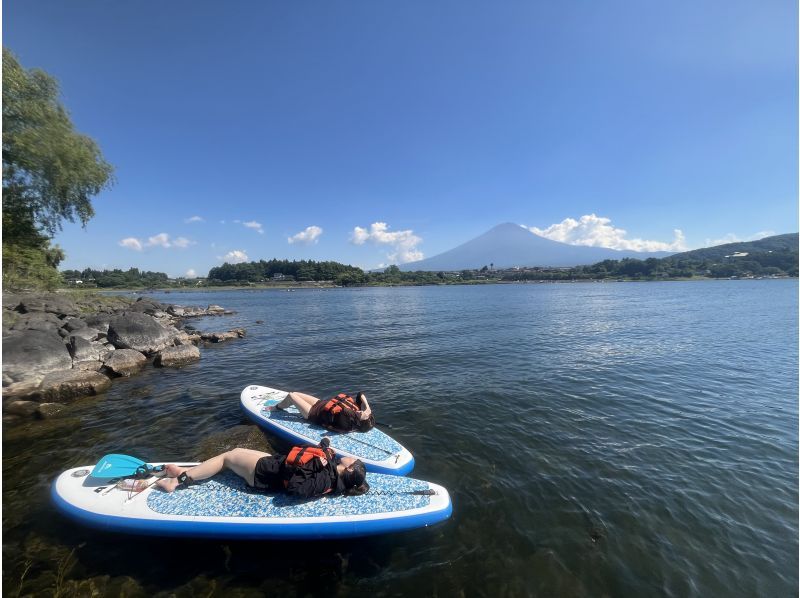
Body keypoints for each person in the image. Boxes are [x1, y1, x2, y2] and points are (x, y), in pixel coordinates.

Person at [155, 441, 369, 498]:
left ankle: (177, 481)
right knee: (237, 451)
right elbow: (314, 464)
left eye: (353, 460)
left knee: (227, 458)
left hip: (265, 476)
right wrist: (323, 450)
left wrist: (313, 464)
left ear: (348, 469)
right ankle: (185, 471)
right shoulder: (333, 471)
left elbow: (296, 488)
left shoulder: (326, 480)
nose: (350, 456)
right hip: (274, 465)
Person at [273, 391, 375, 433]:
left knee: (291, 396)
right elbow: (360, 394)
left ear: (358, 422)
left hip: (312, 413)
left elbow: (345, 410)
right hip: (320, 403)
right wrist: (367, 407)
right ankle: (282, 404)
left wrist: (361, 415)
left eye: (362, 415)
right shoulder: (359, 411)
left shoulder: (347, 425)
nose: (361, 412)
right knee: (295, 393)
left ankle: (276, 408)